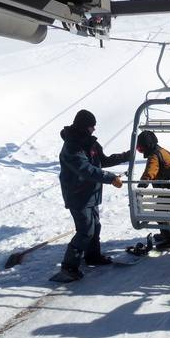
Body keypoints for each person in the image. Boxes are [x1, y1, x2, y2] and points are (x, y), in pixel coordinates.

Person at [56, 109, 130, 282]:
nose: (94, 129)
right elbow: (86, 169)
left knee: (95, 226)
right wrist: (110, 178)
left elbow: (103, 161)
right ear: (84, 126)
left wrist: (126, 156)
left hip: (90, 194)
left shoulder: (90, 143)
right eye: (91, 126)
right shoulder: (72, 147)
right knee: (85, 231)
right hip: (77, 195)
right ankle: (68, 267)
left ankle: (92, 256)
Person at [136, 130, 170, 249]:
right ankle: (166, 234)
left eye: (140, 149)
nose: (141, 151)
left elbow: (150, 171)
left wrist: (141, 186)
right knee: (161, 208)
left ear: (147, 145)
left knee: (159, 210)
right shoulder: (162, 151)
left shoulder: (155, 155)